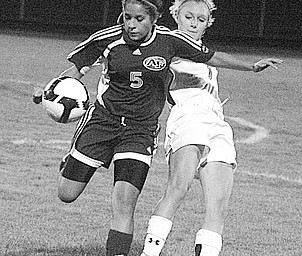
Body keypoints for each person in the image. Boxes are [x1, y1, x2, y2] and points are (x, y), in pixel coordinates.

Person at [33, 0, 281, 255]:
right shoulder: (107, 39)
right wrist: (51, 91)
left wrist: (251, 67)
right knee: (67, 194)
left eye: (138, 19)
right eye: (127, 17)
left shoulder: (170, 42)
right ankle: (72, 159)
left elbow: (212, 56)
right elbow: (75, 70)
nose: (131, 24)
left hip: (140, 131)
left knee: (124, 202)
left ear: (154, 18)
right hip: (102, 123)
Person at [139, 1, 283, 256]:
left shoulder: (204, 54)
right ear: (176, 16)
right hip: (186, 117)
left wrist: (252, 67)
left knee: (218, 205)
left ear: (208, 23)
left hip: (217, 122)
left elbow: (213, 57)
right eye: (188, 16)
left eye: (201, 19)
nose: (194, 23)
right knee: (178, 188)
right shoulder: (165, 44)